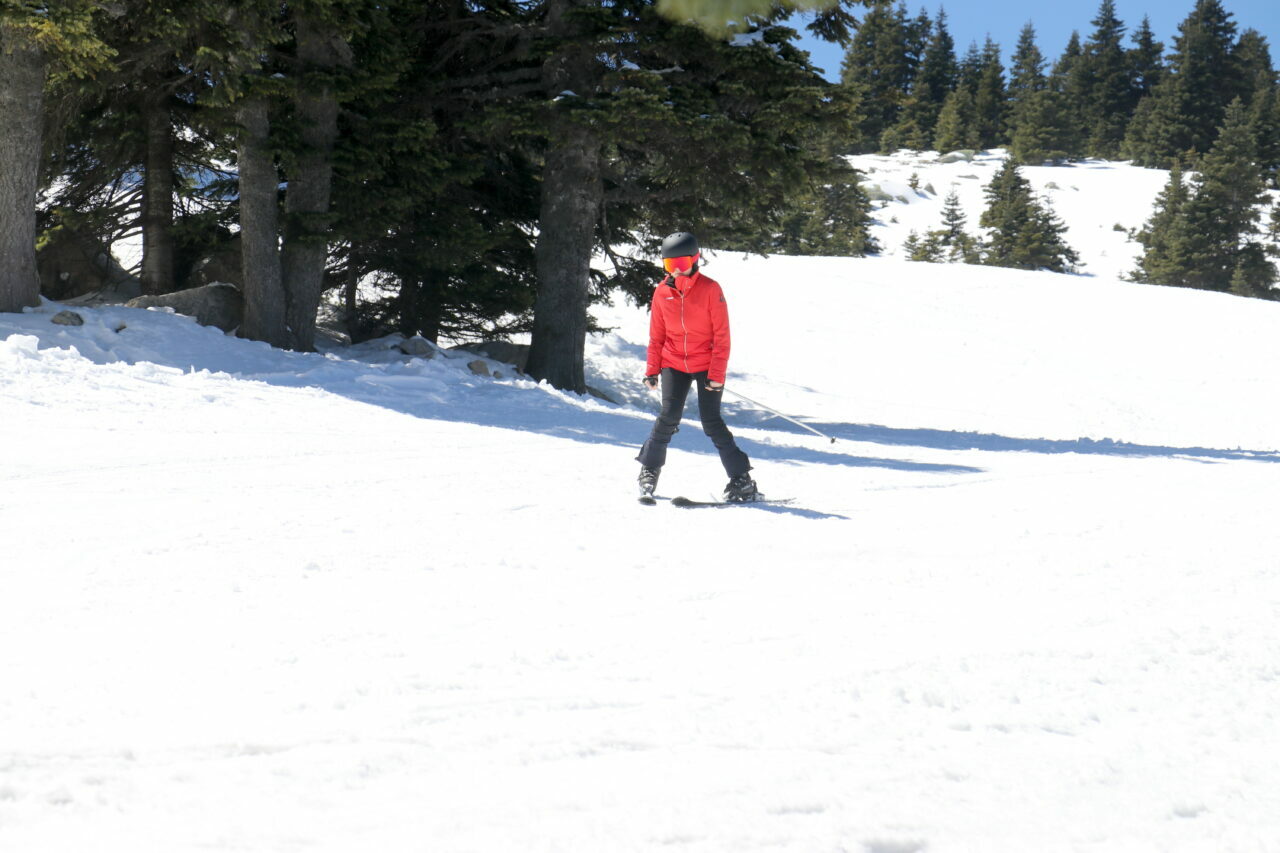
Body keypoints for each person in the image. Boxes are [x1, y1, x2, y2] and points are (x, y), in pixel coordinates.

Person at [636, 232, 760, 502]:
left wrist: (716, 375)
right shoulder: (661, 292)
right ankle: (649, 470)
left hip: (706, 363)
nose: (676, 270)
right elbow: (656, 336)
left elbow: (722, 337)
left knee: (711, 421)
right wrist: (652, 370)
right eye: (669, 264)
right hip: (674, 362)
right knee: (668, 417)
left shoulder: (710, 289)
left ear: (695, 259)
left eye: (681, 263)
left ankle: (742, 480)